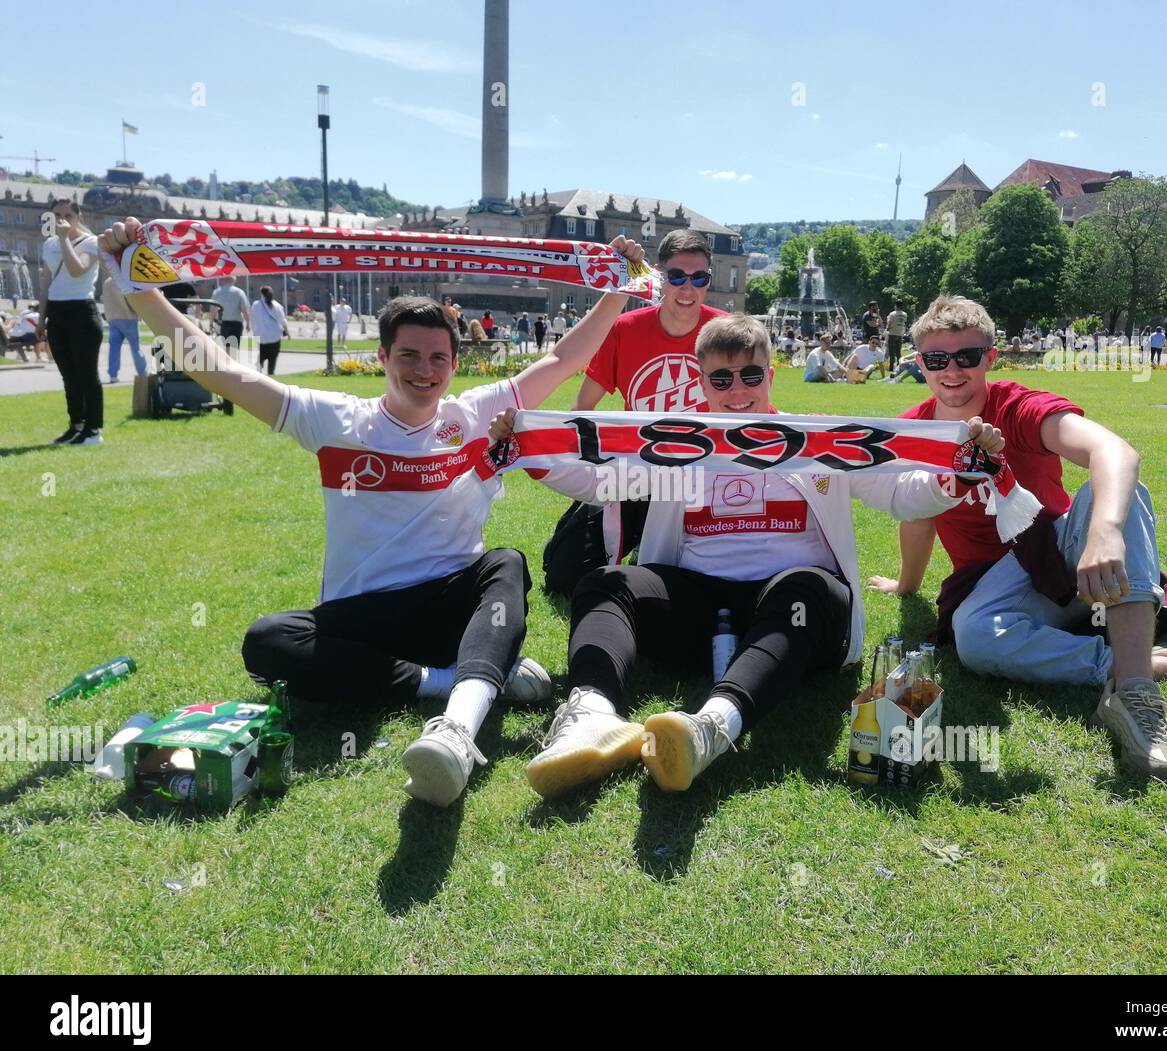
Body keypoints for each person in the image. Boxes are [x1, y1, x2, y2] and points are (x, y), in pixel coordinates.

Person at [96, 216, 645, 808]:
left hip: (449, 605)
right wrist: (140, 288)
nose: (424, 371)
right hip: (365, 615)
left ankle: (458, 728)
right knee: (268, 640)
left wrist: (617, 286)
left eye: (438, 358)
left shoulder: (474, 413)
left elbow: (562, 361)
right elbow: (217, 370)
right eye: (408, 355)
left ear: (454, 363)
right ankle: (456, 680)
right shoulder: (336, 421)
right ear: (383, 356)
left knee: (506, 561)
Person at [488, 313, 1003, 798]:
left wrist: (958, 473)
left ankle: (712, 727)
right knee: (606, 581)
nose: (737, 391)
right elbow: (602, 481)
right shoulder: (676, 440)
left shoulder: (817, 437)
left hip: (796, 615)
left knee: (807, 585)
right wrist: (530, 451)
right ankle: (592, 716)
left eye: (751, 375)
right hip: (700, 606)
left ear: (771, 373)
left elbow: (901, 493)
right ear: (700, 379)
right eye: (721, 380)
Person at [869, 295, 1167, 787]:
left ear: (991, 357)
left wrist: (1104, 532)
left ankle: (1134, 696)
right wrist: (906, 584)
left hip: (1068, 559)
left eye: (968, 356)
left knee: (1116, 492)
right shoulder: (913, 428)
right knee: (975, 639)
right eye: (938, 359)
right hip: (998, 587)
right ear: (920, 363)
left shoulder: (1016, 405)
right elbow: (917, 515)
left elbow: (1115, 451)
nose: (952, 371)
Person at [540, 229, 726, 596]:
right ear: (659, 275)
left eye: (699, 278)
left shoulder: (725, 331)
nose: (687, 289)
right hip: (639, 475)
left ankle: (654, 547)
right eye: (677, 277)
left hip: (706, 480)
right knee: (563, 573)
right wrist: (598, 473)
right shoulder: (624, 330)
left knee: (706, 575)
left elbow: (756, 406)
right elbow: (583, 409)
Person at [40, 199, 104, 446]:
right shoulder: (49, 244)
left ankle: (93, 429)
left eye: (67, 214)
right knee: (69, 375)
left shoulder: (91, 242)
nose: (62, 220)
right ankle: (76, 424)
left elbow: (77, 270)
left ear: (79, 216)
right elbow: (46, 281)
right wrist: (41, 318)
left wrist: (65, 238)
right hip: (56, 312)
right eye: (57, 215)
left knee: (87, 374)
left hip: (81, 311)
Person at [102, 273, 146, 384]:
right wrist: (138, 313)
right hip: (128, 317)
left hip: (113, 317)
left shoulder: (107, 282)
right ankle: (143, 373)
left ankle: (113, 375)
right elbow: (131, 299)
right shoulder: (126, 281)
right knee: (136, 348)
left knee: (114, 348)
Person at [250, 285, 289, 376]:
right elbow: (282, 320)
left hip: (261, 336)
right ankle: (271, 375)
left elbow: (253, 320)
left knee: (261, 356)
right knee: (273, 358)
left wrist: (254, 332)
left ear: (261, 294)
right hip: (274, 336)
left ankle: (258, 374)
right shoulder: (277, 305)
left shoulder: (256, 305)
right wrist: (288, 333)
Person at [212, 276, 250, 358]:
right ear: (233, 281)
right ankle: (231, 363)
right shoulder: (239, 292)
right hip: (236, 323)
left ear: (224, 280)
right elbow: (244, 310)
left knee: (226, 347)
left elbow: (213, 309)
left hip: (223, 323)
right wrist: (248, 323)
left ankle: (227, 363)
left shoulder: (217, 292)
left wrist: (211, 322)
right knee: (233, 348)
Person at [885, 301, 908, 374]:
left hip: (892, 334)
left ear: (896, 306)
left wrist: (887, 329)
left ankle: (891, 367)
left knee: (891, 352)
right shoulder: (905, 314)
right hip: (900, 334)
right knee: (898, 352)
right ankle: (899, 367)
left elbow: (889, 324)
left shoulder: (892, 314)